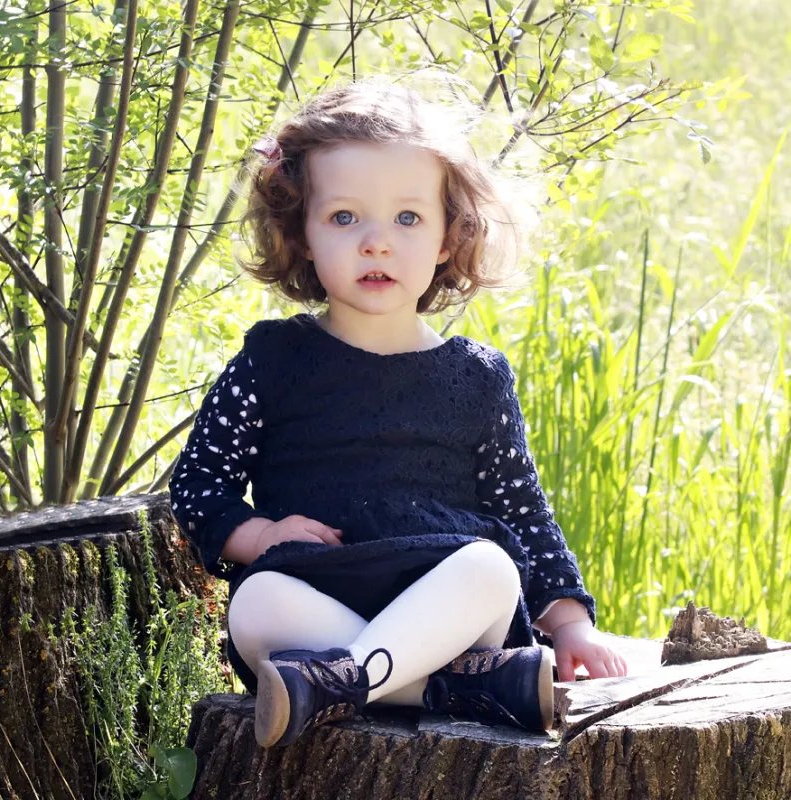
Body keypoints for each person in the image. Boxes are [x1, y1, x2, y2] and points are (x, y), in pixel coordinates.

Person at [169, 78, 627, 749]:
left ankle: (339, 680)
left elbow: (524, 510)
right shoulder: (274, 360)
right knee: (254, 605)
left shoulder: (476, 377)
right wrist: (261, 537)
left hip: (446, 595)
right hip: (319, 590)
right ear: (301, 233)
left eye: (407, 219)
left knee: (491, 567)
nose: (376, 243)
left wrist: (569, 624)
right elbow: (198, 486)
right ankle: (461, 686)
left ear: (449, 237)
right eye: (345, 218)